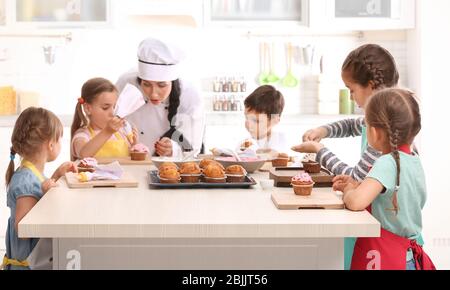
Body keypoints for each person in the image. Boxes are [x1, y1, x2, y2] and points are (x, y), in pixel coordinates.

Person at [291, 44, 407, 269]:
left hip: (387, 242)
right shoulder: (382, 118)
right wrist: (324, 131)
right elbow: (353, 125)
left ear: (371, 87)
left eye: (352, 90)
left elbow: (357, 178)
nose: (352, 97)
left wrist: (318, 151)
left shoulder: (385, 133)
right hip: (381, 233)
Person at [332, 88, 435, 270]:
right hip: (408, 258)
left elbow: (356, 202)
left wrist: (349, 191)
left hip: (387, 258)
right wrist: (357, 184)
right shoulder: (414, 161)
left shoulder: (387, 163)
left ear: (374, 132)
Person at [2, 107, 77, 270]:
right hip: (29, 264)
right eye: (59, 140)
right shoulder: (24, 181)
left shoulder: (31, 173)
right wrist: (47, 195)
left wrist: (56, 175)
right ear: (51, 144)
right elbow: (23, 226)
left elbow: (37, 194)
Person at [116, 37, 205, 157]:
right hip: (131, 160)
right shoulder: (126, 83)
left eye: (162, 85)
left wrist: (173, 149)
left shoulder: (190, 94)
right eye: (146, 84)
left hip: (170, 165)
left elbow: (193, 145)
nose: (153, 94)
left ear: (172, 82)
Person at [71, 77, 138, 161]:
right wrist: (107, 131)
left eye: (114, 107)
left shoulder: (121, 133)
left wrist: (134, 147)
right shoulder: (83, 135)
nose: (113, 113)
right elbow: (83, 155)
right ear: (88, 108)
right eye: (105, 108)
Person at [239, 85, 289, 155]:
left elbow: (274, 153)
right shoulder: (245, 142)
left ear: (274, 120)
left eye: (256, 121)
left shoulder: (280, 140)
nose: (249, 125)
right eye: (247, 118)